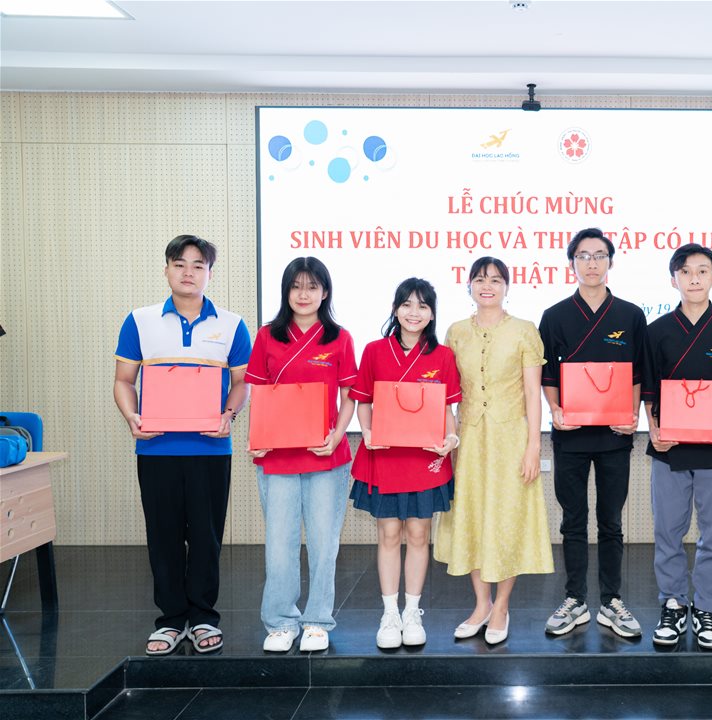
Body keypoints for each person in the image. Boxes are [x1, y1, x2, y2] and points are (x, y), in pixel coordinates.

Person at [113, 234, 250, 655]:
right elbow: (124, 381)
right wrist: (132, 417)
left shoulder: (232, 324)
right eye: (180, 264)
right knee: (163, 536)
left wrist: (229, 415)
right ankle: (171, 620)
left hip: (210, 449)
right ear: (166, 269)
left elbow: (242, 384)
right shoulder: (140, 321)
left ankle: (204, 617)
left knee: (207, 537)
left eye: (198, 265)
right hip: (157, 449)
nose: (188, 272)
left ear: (210, 273)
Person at [641, 244, 712, 650]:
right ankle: (673, 604)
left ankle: (706, 608)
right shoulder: (655, 331)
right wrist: (654, 429)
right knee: (668, 531)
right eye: (685, 271)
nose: (694, 278)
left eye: (702, 271)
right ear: (673, 279)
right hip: (670, 448)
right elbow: (649, 390)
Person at [434, 257, 553, 645]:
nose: (488, 286)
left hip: (511, 438)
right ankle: (481, 604)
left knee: (507, 518)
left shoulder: (524, 330)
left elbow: (533, 394)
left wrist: (534, 445)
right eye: (481, 279)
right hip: (468, 439)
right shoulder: (455, 332)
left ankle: (501, 606)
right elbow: (447, 394)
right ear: (468, 285)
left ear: (507, 287)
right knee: (471, 516)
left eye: (496, 280)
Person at [538, 228, 647, 639]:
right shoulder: (555, 315)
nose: (591, 263)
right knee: (573, 520)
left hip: (615, 434)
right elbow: (548, 374)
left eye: (599, 255)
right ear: (572, 264)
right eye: (583, 256)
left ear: (610, 262)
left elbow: (637, 373)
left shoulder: (630, 315)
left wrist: (632, 416)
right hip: (571, 434)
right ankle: (575, 599)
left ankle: (611, 601)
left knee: (611, 521)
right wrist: (555, 410)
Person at [245, 257, 357, 653]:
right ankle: (280, 621)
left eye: (312, 286)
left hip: (326, 454)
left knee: (324, 544)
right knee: (280, 544)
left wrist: (337, 435)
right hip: (277, 456)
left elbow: (350, 396)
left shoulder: (339, 338)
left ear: (325, 292)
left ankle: (317, 621)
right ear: (286, 291)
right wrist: (256, 437)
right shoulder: (267, 336)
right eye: (296, 286)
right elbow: (258, 393)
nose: (304, 294)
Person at [352, 278, 461, 649]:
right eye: (407, 304)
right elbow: (364, 401)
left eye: (423, 306)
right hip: (385, 455)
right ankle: (389, 614)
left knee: (418, 534)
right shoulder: (374, 351)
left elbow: (446, 410)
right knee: (388, 535)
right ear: (395, 309)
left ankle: (412, 612)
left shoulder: (443, 356)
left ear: (432, 314)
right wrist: (367, 431)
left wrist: (452, 438)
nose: (414, 313)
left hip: (424, 459)